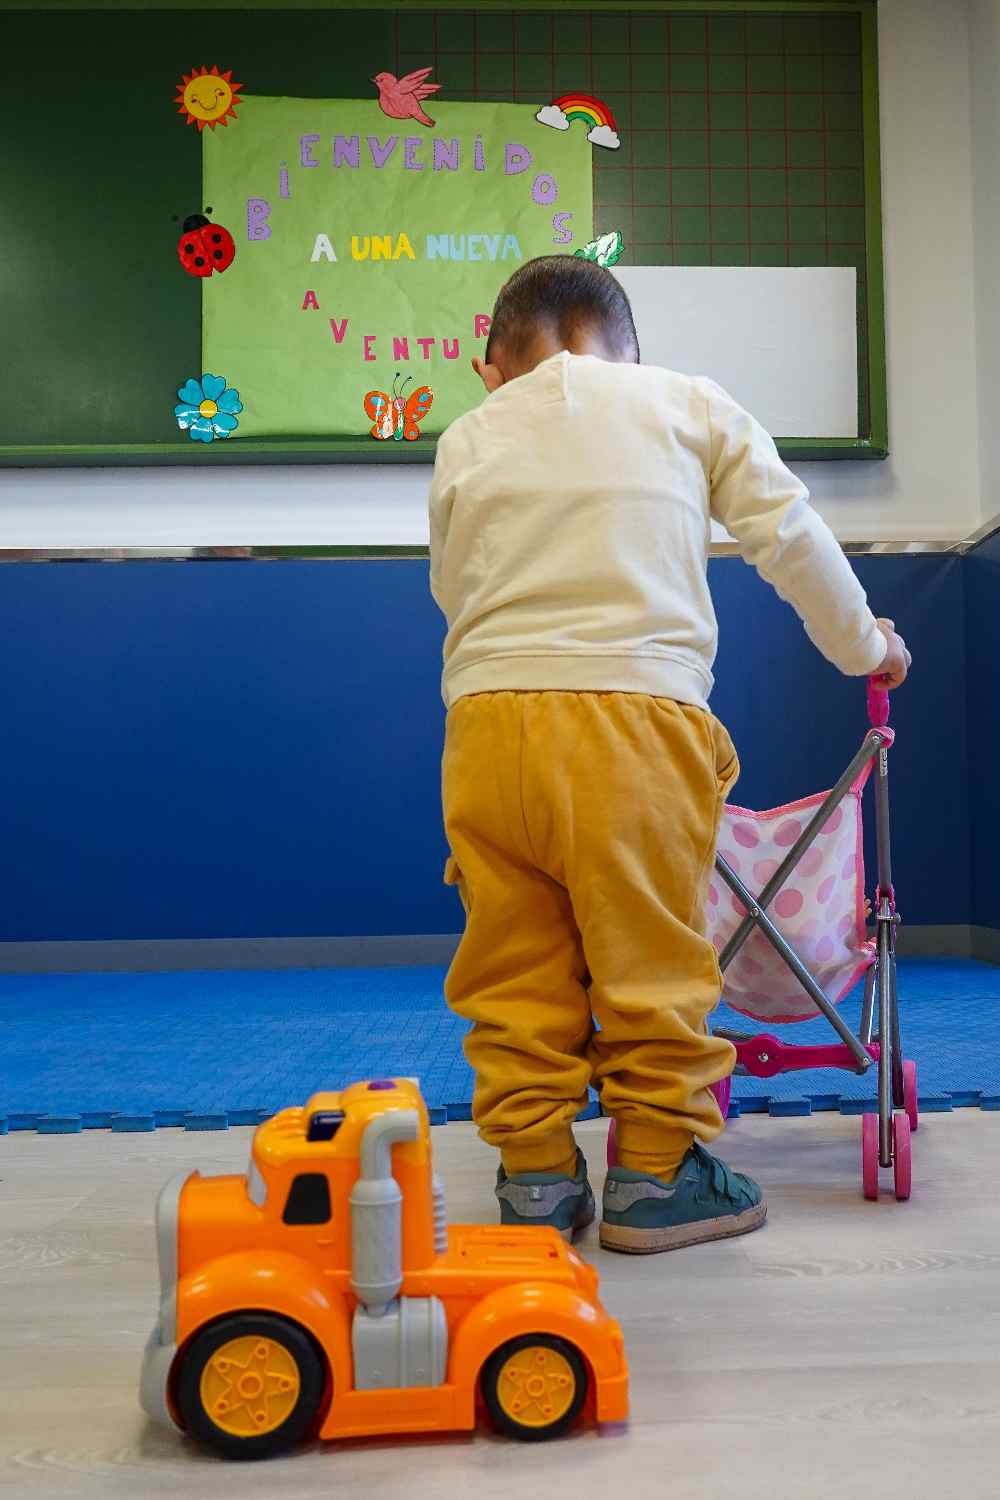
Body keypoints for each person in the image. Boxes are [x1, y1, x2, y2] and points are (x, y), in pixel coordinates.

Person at [428, 255, 911, 1254]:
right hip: (635, 722)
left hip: (485, 727)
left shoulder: (470, 433)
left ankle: (534, 1176)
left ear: (490, 368)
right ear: (633, 353)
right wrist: (868, 645)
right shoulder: (687, 403)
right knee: (651, 955)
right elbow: (789, 535)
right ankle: (654, 1175)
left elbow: (453, 582)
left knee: (511, 961)